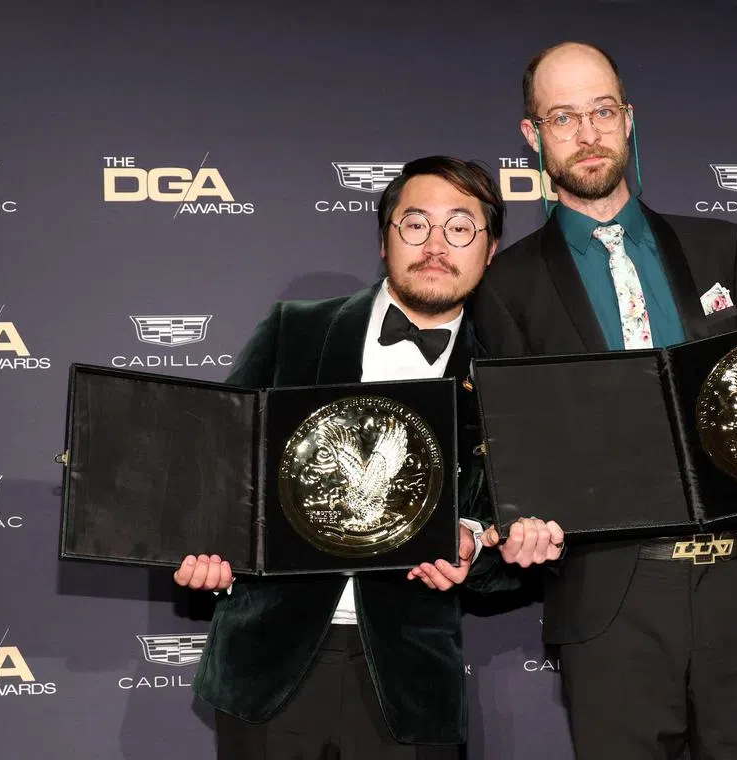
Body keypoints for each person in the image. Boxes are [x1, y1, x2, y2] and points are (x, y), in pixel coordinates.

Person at [472, 42, 737, 760]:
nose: (588, 134)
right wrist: (518, 519)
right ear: (532, 135)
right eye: (564, 117)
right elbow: (514, 443)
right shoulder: (506, 285)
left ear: (629, 118)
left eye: (603, 111)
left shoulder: (721, 247)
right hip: (611, 597)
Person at [172, 155, 562, 760]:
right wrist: (200, 551)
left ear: (489, 251)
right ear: (384, 240)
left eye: (460, 227)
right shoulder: (295, 332)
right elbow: (213, 466)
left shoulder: (506, 379)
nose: (436, 245)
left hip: (410, 678)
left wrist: (471, 554)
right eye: (415, 225)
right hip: (268, 668)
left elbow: (513, 537)